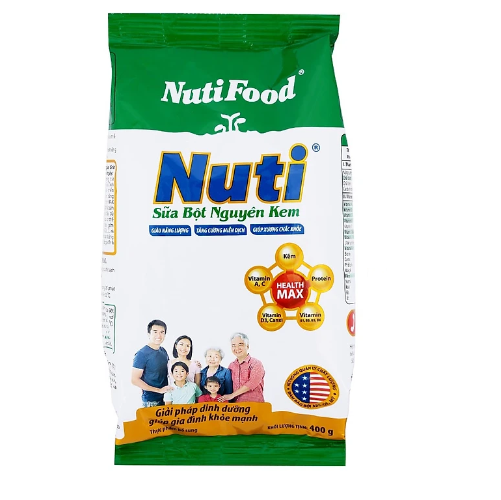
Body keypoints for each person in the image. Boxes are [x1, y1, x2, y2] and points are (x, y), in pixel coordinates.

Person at [131, 319, 171, 407]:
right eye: (155, 332)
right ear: (149, 334)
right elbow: (134, 380)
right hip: (151, 401)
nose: (159, 335)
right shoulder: (142, 354)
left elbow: (170, 368)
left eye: (162, 332)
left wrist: (192, 363)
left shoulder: (163, 351)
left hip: (166, 398)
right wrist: (158, 390)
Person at [219, 333, 265, 403]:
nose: (237, 348)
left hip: (254, 405)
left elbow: (252, 383)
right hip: (236, 406)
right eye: (233, 345)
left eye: (240, 344)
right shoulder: (231, 365)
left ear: (247, 346)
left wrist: (232, 395)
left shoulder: (256, 363)